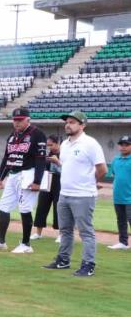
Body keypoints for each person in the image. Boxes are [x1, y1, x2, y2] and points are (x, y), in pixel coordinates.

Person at [43, 111, 106, 277]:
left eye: (72, 122)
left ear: (82, 125)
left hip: (84, 195)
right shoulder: (64, 145)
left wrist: (90, 181)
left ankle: (88, 264)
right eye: (67, 122)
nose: (67, 124)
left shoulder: (90, 144)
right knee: (65, 230)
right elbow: (68, 166)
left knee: (86, 231)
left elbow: (102, 169)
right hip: (64, 194)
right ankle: (63, 260)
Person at [0, 108, 47, 254]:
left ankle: (26, 244)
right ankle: (0, 241)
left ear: (28, 120)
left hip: (28, 175)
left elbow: (40, 159)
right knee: (3, 206)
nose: (17, 123)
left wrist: (37, 180)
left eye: (20, 120)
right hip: (13, 174)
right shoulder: (12, 135)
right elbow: (7, 157)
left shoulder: (37, 134)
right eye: (15, 120)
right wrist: (0, 177)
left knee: (25, 208)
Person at [32, 135, 62, 241]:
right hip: (47, 180)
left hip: (59, 182)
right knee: (41, 206)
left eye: (51, 145)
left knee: (58, 207)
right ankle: (38, 233)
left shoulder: (65, 153)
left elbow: (68, 170)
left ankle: (61, 235)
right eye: (48, 145)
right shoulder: (46, 153)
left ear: (58, 143)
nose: (49, 147)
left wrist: (57, 162)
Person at [109, 135, 131, 250]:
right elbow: (114, 175)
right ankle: (123, 242)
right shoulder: (115, 160)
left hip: (130, 197)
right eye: (121, 145)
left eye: (126, 145)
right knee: (121, 220)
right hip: (118, 196)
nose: (123, 147)